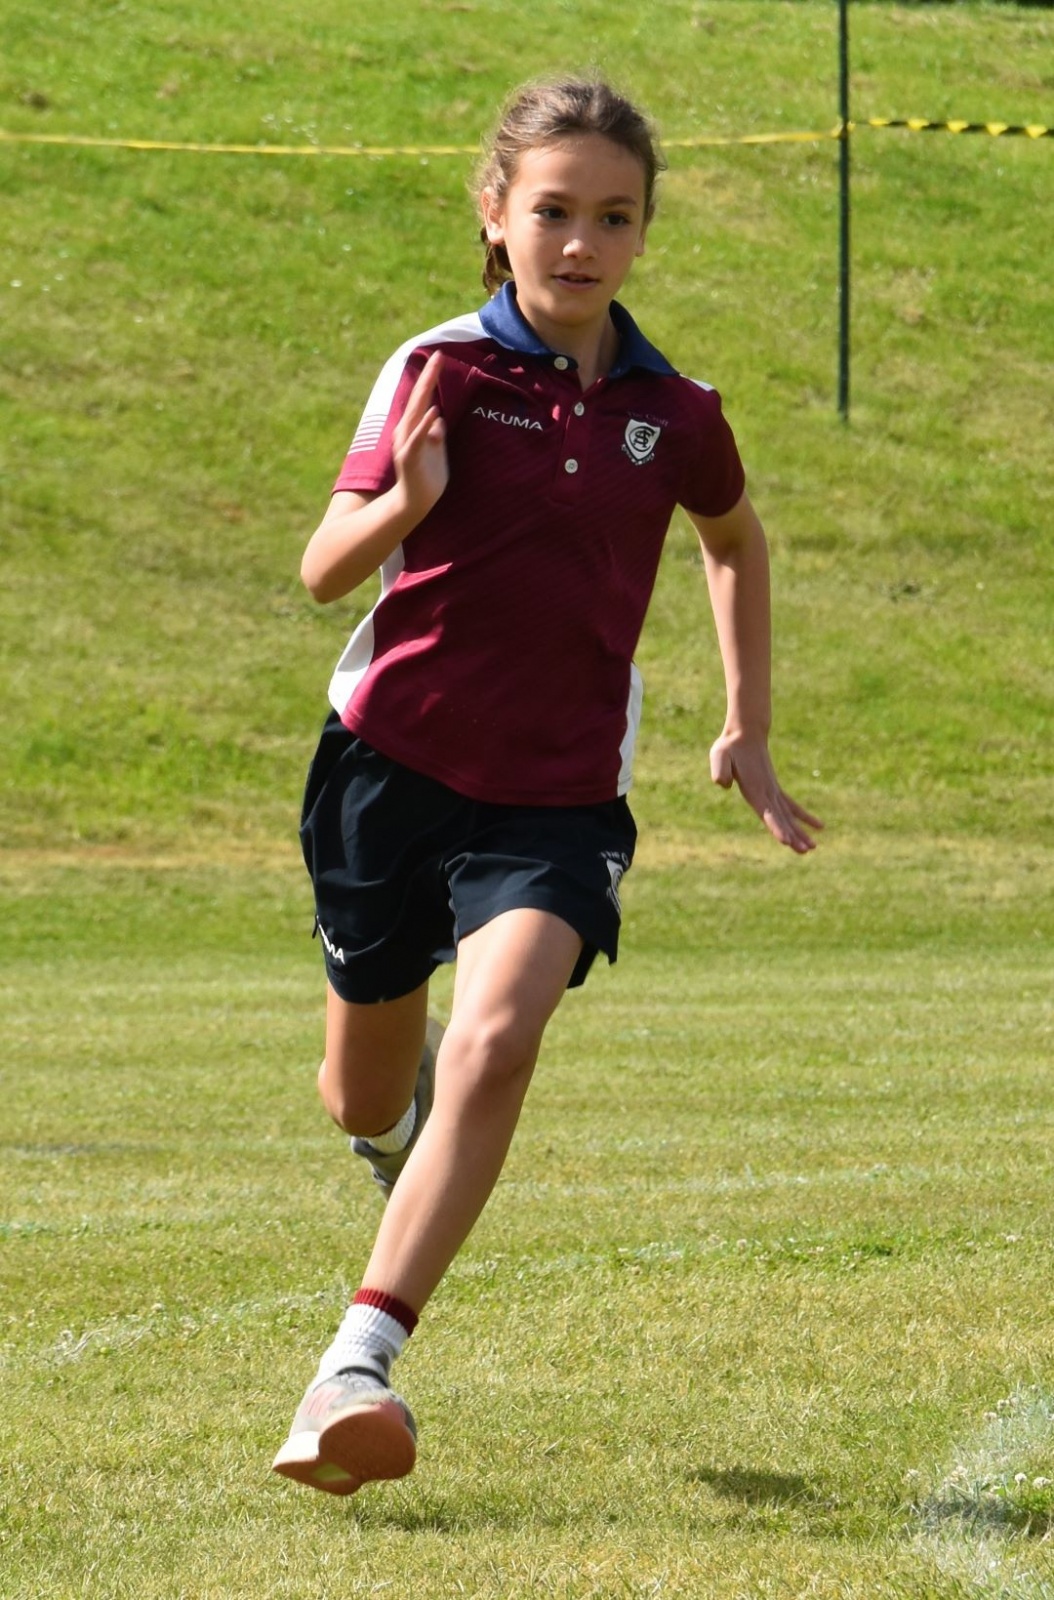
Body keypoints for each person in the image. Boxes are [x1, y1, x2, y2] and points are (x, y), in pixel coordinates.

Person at [271, 74, 821, 1497]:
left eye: (614, 217)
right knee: (361, 1091)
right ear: (495, 213)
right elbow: (323, 569)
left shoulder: (674, 409)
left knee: (499, 1035)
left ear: (644, 231)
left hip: (559, 798)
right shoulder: (438, 370)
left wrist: (747, 724)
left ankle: (355, 1367)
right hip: (389, 771)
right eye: (554, 211)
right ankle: (399, 1142)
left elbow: (732, 539)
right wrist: (407, 503)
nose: (582, 243)